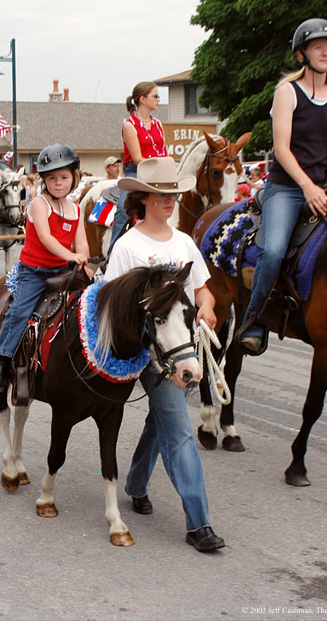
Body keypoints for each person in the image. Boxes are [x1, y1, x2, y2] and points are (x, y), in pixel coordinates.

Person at [104, 156, 225, 553]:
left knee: (162, 421)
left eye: (172, 194)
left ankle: (136, 484)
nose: (169, 201)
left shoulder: (184, 241)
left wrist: (206, 306)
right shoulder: (127, 247)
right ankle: (199, 524)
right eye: (159, 195)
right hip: (146, 353)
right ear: (141, 199)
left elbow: (203, 288)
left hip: (183, 350)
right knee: (178, 430)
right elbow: (110, 304)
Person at [239, 18, 327, 354]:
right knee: (275, 250)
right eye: (318, 47)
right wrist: (307, 186)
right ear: (302, 54)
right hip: (287, 188)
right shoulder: (287, 92)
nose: (326, 52)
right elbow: (281, 148)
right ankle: (255, 320)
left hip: (325, 186)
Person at [0, 143, 92, 392]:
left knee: (91, 304)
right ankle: (1, 364)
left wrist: (83, 260)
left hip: (63, 269)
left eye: (64, 177)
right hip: (34, 271)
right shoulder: (39, 204)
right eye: (52, 178)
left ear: (73, 178)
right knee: (20, 311)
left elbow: (83, 244)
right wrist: (71, 256)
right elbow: (46, 239)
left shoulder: (75, 210)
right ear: (43, 180)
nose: (58, 183)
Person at [107, 81, 167, 255]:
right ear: (142, 99)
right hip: (137, 172)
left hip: (159, 171)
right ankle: (112, 254)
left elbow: (163, 150)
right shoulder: (130, 126)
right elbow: (138, 158)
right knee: (123, 208)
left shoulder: (158, 124)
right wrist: (161, 164)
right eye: (155, 96)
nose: (158, 99)